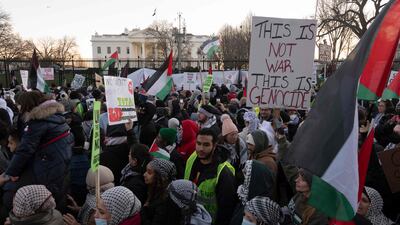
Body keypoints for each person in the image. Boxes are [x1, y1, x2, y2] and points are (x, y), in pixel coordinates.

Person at [1, 91, 73, 212]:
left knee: (10, 196)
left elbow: (25, 150)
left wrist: (9, 173)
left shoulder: (38, 121)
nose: (18, 107)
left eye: (19, 104)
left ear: (26, 105)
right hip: (59, 167)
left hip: (47, 168)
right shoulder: (56, 117)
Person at [184, 128, 237, 225]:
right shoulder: (192, 158)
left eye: (206, 145)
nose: (201, 149)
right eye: (198, 143)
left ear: (214, 145)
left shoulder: (223, 173)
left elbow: (225, 211)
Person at [230, 160, 274, 225]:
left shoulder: (258, 215)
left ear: (255, 181)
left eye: (246, 175)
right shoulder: (245, 200)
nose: (243, 179)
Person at [141, 158, 177, 225]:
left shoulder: (164, 200)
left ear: (160, 176)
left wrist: (143, 211)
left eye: (149, 172)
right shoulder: (154, 189)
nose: (144, 174)